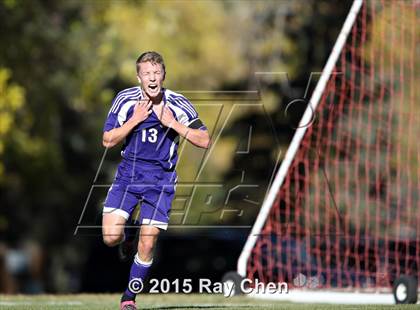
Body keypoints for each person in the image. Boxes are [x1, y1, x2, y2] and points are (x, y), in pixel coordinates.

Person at [101, 51, 210, 310]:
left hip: (161, 182)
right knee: (109, 237)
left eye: (157, 73)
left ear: (164, 75)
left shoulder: (178, 103)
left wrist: (174, 124)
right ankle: (128, 233)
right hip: (128, 176)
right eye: (147, 73)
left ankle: (128, 298)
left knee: (148, 242)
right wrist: (135, 120)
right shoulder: (125, 100)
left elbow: (204, 140)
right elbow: (107, 140)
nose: (152, 78)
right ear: (138, 77)